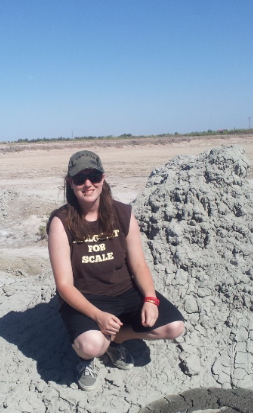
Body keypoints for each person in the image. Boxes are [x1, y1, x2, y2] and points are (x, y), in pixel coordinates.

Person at [47, 150, 184, 391]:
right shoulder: (62, 222)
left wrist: (150, 299)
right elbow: (64, 285)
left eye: (94, 176)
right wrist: (97, 315)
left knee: (173, 327)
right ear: (70, 183)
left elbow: (138, 263)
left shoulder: (123, 213)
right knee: (91, 345)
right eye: (80, 178)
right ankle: (86, 360)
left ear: (103, 178)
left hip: (125, 292)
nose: (88, 184)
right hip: (87, 297)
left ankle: (118, 338)